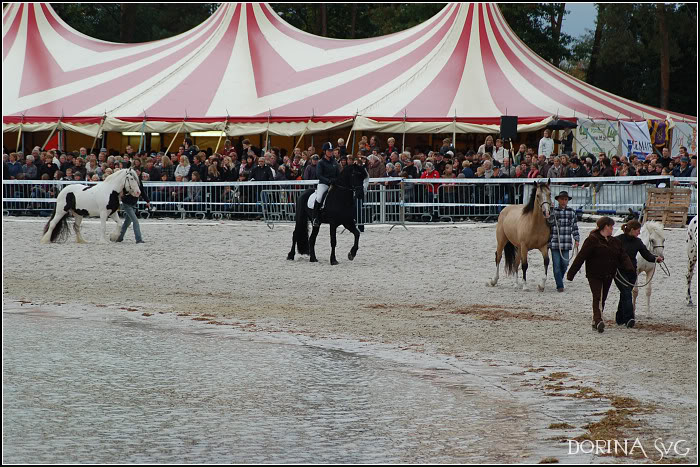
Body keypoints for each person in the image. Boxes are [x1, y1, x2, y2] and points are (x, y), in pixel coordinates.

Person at [566, 217, 635, 333]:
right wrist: (571, 273)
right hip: (594, 274)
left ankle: (595, 320)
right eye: (611, 226)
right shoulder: (592, 240)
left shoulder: (615, 241)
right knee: (597, 296)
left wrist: (630, 268)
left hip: (609, 274)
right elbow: (581, 256)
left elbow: (623, 256)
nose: (613, 228)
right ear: (605, 226)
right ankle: (598, 320)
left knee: (603, 297)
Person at [614, 220, 664, 328]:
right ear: (632, 230)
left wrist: (656, 259)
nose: (639, 233)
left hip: (631, 272)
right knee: (627, 293)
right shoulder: (618, 240)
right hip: (620, 271)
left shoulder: (638, 242)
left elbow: (646, 254)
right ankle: (629, 318)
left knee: (624, 294)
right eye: (637, 231)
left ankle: (619, 318)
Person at [547, 191, 580, 292]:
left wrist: (577, 238)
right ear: (558, 200)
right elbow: (550, 222)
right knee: (556, 265)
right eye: (562, 199)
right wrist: (551, 211)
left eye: (565, 199)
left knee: (565, 264)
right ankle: (560, 286)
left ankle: (559, 280)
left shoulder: (572, 212)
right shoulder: (554, 211)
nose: (564, 201)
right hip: (555, 242)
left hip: (566, 242)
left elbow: (574, 227)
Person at [117, 173, 151, 244]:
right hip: (127, 204)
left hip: (133, 203)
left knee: (127, 222)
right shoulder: (128, 181)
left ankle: (119, 237)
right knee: (135, 221)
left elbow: (142, 192)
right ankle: (138, 239)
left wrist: (147, 200)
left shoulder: (138, 181)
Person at [312, 142, 340, 227]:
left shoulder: (335, 162)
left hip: (334, 184)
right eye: (329, 150)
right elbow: (319, 175)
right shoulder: (321, 162)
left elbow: (338, 174)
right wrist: (328, 181)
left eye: (331, 150)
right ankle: (315, 218)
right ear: (325, 151)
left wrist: (336, 180)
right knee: (320, 197)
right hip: (324, 184)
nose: (331, 152)